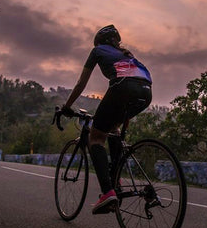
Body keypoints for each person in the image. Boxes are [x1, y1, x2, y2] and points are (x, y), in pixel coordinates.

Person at [62, 25, 152, 214]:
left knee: (95, 137)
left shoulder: (97, 50)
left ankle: (107, 192)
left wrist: (67, 106)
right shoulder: (127, 55)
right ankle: (115, 177)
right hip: (146, 91)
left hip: (123, 88)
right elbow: (134, 81)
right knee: (113, 129)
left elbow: (81, 83)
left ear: (100, 42)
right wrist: (122, 119)